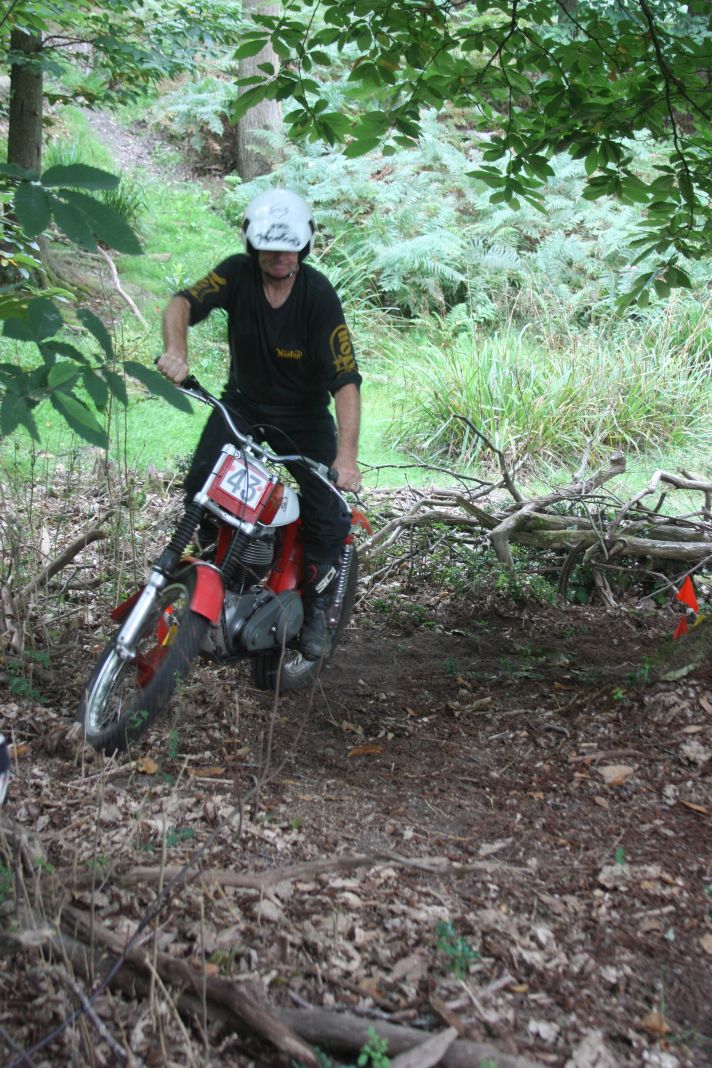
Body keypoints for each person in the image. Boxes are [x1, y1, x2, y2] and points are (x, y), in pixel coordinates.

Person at [157, 188, 362, 661]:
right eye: (269, 248)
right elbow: (182, 303)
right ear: (252, 245)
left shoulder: (318, 296)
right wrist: (176, 350)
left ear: (304, 247)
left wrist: (346, 457)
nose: (279, 257)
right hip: (243, 405)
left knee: (328, 511)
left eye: (289, 249)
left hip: (304, 416)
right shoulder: (236, 273)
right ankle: (219, 567)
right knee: (202, 484)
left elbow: (346, 380)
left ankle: (317, 610)